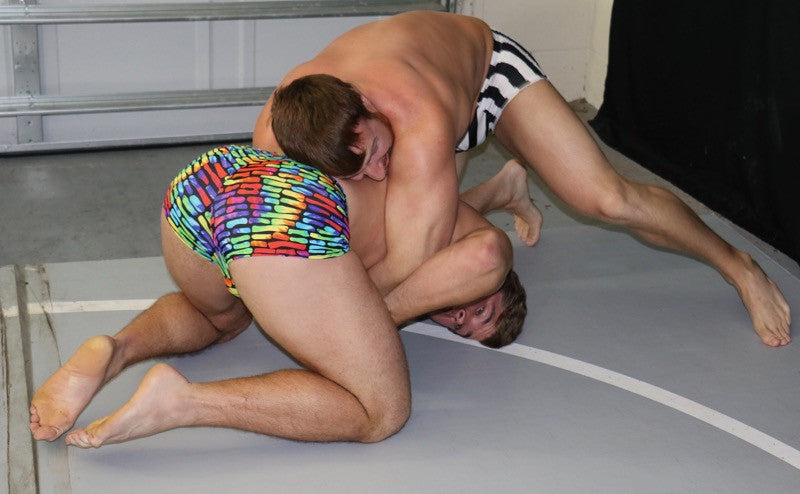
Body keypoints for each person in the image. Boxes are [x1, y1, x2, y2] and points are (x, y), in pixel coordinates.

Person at [254, 11, 792, 347]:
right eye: (357, 167)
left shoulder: (415, 118)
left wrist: (323, 316)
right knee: (393, 215)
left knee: (605, 197)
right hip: (415, 105)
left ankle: (736, 265)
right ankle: (503, 189)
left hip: (483, 72)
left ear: (366, 105)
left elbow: (406, 262)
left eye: (374, 152)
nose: (377, 172)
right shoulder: (284, 131)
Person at [29, 144, 526, 448]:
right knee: (381, 413)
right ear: (498, 283)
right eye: (482, 306)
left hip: (212, 179)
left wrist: (505, 188)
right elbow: (486, 254)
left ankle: (115, 351)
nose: (459, 313)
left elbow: (464, 209)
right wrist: (372, 326)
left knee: (222, 318)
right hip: (285, 212)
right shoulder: (479, 249)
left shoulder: (434, 220)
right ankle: (183, 402)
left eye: (461, 327)